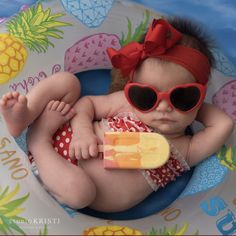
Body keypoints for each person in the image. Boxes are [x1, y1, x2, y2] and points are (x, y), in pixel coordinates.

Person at [0, 18, 234, 212]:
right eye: (147, 96)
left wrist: (192, 103)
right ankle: (26, 115)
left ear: (200, 98)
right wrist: (82, 132)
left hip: (69, 178)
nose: (163, 108)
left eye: (182, 97)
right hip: (65, 130)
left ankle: (38, 140)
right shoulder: (127, 104)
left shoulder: (187, 149)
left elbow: (224, 124)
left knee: (81, 193)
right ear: (133, 89)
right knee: (67, 82)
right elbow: (87, 104)